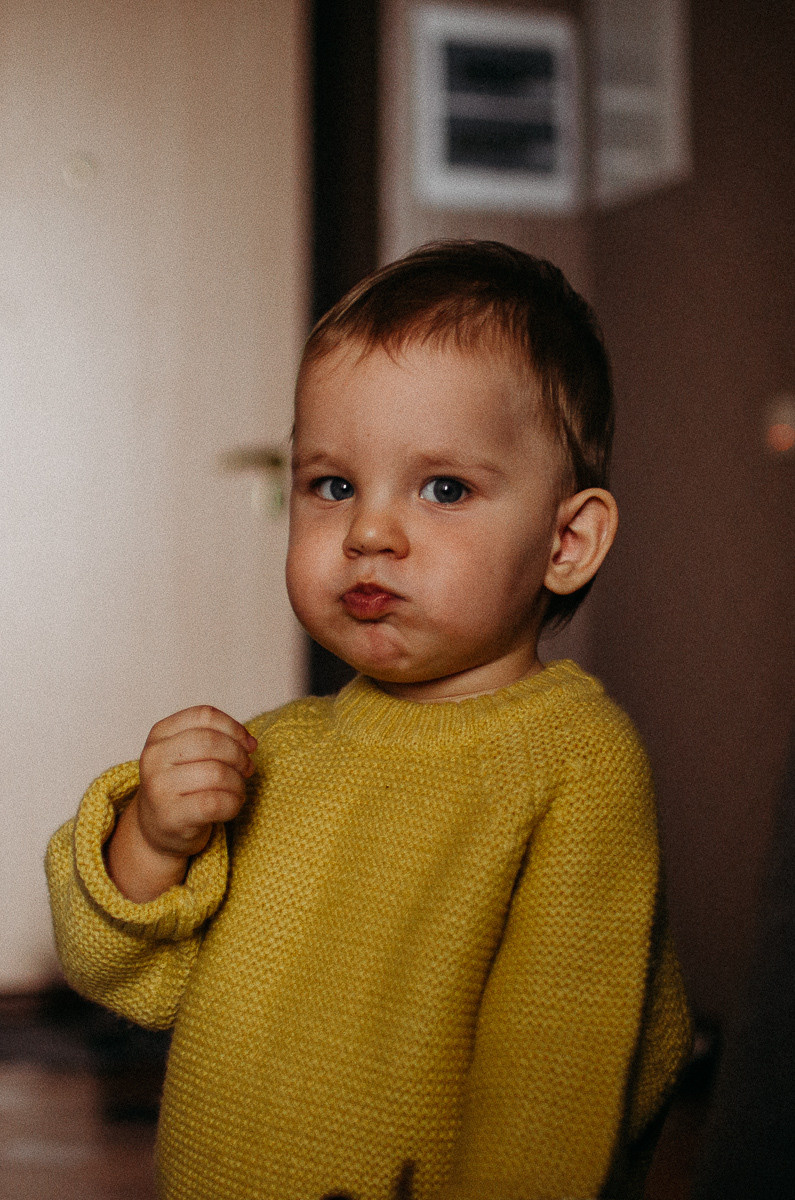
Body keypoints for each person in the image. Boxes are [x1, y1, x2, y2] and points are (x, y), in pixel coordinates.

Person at [46, 240, 692, 1200]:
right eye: (333, 485)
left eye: (443, 489)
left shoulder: (572, 763)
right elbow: (128, 977)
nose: (367, 533)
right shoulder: (278, 751)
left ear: (566, 540)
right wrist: (149, 837)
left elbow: (557, 1079)